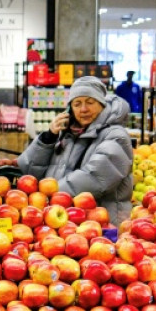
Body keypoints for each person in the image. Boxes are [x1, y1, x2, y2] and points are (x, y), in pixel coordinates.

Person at [17, 76, 134, 225]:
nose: (83, 109)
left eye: (90, 102)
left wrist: (47, 198)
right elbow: (29, 171)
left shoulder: (116, 136)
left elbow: (94, 178)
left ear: (102, 105)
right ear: (70, 108)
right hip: (66, 222)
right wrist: (48, 138)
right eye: (77, 104)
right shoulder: (67, 133)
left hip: (101, 226)